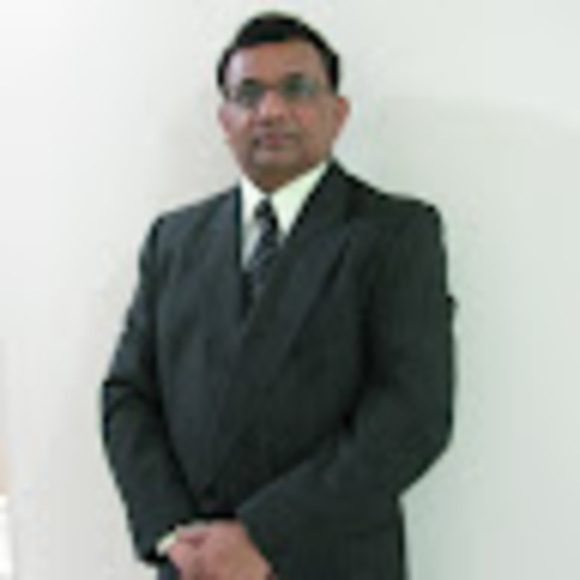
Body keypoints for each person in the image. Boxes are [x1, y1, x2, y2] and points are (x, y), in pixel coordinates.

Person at [101, 11, 455, 580]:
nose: (270, 111)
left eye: (297, 89)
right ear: (225, 119)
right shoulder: (173, 240)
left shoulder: (394, 233)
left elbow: (412, 414)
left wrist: (263, 535)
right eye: (248, 94)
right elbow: (129, 395)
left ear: (337, 112)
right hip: (196, 567)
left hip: (332, 561)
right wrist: (173, 534)